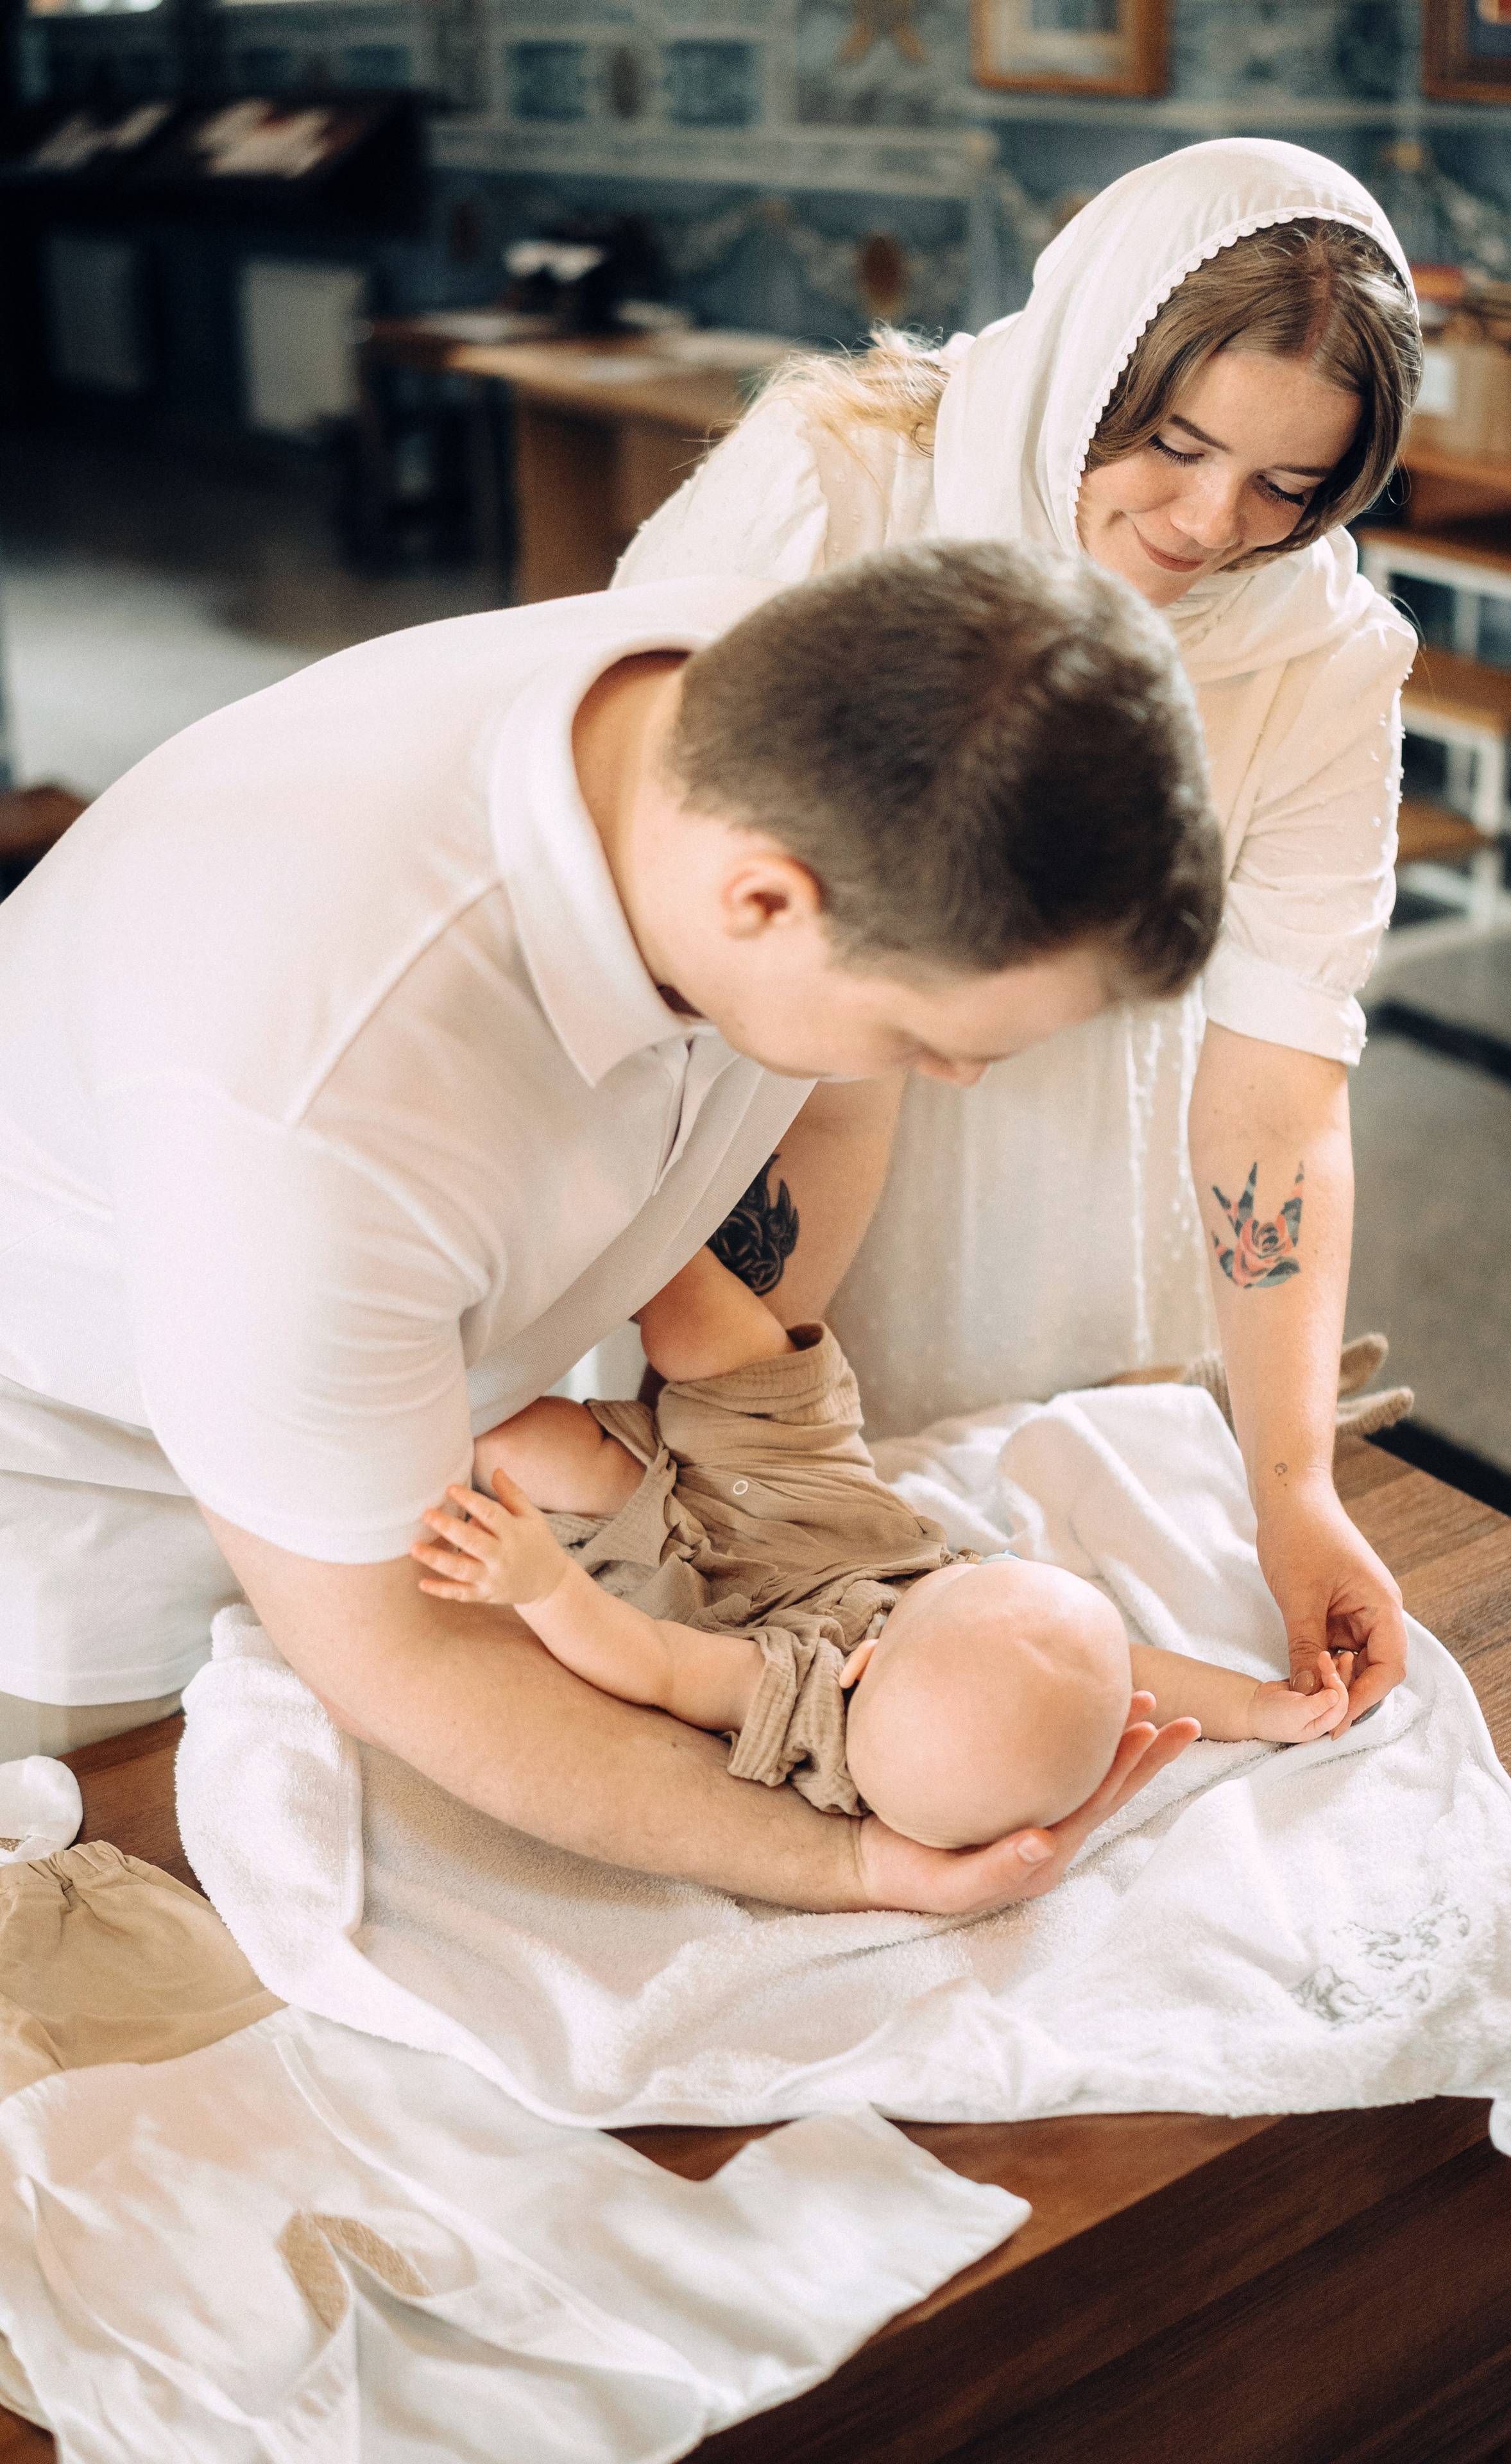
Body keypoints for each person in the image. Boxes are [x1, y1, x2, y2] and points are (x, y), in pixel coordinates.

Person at [0, 539, 1218, 1915]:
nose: (958, 1081)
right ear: (764, 902)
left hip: (423, 1420)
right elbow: (401, 1655)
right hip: (93, 1516)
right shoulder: (313, 1112)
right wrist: (851, 1862)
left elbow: (829, 1108)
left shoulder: (802, 732)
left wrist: (738, 1445)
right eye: (925, 1036)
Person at [613, 137, 1424, 1734]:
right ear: (1091, 364)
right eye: (1174, 445)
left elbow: (1275, 1093)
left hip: (1072, 1179)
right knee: (736, 1596)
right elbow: (645, 880)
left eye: (1287, 487)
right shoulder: (839, 483)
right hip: (759, 1119)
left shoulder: (1318, 653)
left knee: (1016, 1623)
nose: (1208, 523)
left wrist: (1292, 1489)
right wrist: (721, 1383)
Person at [411, 1244, 1352, 1852]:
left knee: (513, 1445)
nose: (972, 1565)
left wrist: (542, 1586)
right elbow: (1131, 1680)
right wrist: (1254, 1706)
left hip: (687, 1573)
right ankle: (641, 1237)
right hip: (813, 1495)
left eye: (970, 1581)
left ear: (860, 1666)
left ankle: (439, 1322)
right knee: (692, 1313)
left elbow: (655, 1662)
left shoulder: (808, 1707)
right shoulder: (1014, 1699)